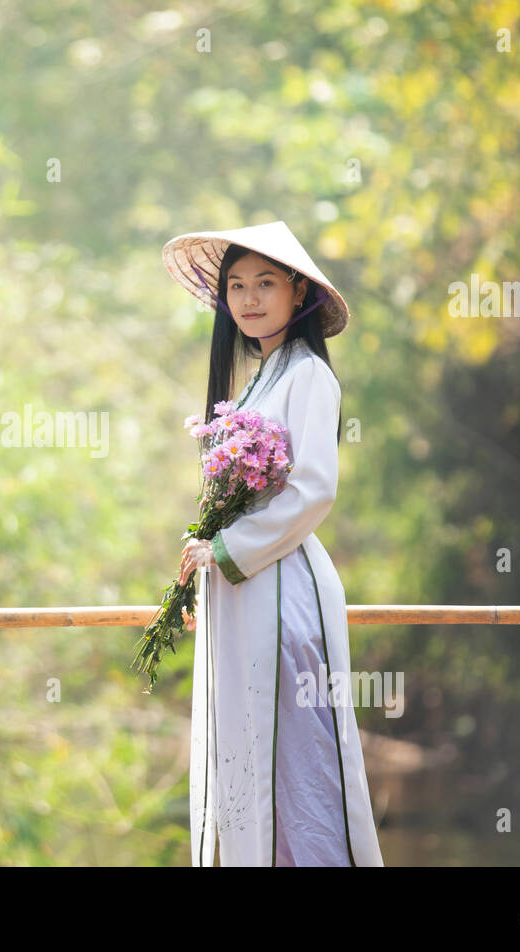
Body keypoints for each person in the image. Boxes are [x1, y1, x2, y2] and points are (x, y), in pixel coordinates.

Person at [162, 220, 384, 867]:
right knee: (253, 751)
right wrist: (210, 547)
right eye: (236, 285)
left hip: (284, 597)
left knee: (299, 758)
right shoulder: (263, 376)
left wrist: (229, 550)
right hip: (248, 591)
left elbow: (312, 490)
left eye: (265, 283)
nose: (249, 298)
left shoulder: (309, 374)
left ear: (298, 294)